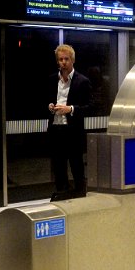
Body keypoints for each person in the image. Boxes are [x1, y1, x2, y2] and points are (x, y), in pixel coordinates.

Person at [48, 44, 92, 200]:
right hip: (56, 128)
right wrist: (50, 106)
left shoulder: (82, 81)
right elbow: (42, 101)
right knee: (59, 165)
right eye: (60, 59)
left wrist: (71, 109)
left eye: (66, 59)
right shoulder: (52, 80)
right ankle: (62, 194)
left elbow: (90, 107)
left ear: (72, 60)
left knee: (76, 164)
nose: (63, 62)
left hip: (73, 130)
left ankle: (80, 192)